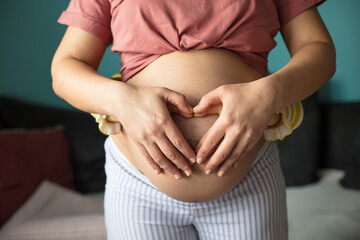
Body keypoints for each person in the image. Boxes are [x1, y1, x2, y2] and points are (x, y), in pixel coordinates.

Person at [51, 0, 336, 239]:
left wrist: (268, 93)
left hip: (250, 179)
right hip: (137, 184)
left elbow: (319, 49)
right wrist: (124, 101)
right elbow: (65, 68)